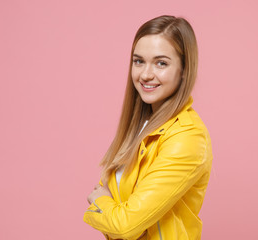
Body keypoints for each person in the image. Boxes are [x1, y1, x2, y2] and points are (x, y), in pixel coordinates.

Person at [83, 15, 213, 240]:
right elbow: (121, 218)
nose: (145, 74)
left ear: (184, 69)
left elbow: (125, 225)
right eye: (139, 61)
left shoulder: (187, 137)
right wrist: (114, 211)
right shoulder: (143, 126)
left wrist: (100, 200)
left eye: (161, 63)